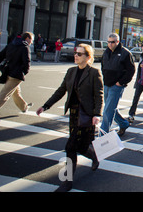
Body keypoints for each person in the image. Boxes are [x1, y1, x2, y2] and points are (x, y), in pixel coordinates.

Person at [36, 44, 103, 192]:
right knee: (79, 146)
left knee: (71, 147)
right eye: (75, 53)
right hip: (74, 114)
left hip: (86, 115)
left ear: (88, 57)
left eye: (79, 54)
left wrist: (97, 114)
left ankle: (67, 182)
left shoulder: (94, 73)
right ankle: (94, 157)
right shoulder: (71, 71)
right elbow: (61, 91)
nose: (76, 56)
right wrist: (46, 106)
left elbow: (99, 95)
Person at [0, 32, 34, 123]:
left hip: (7, 72)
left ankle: (24, 107)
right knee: (4, 94)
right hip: (16, 75)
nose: (32, 42)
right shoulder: (25, 47)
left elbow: (0, 55)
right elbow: (27, 63)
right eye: (31, 39)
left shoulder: (12, 44)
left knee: (16, 92)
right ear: (27, 38)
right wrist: (24, 72)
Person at [100, 33, 135, 137]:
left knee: (107, 111)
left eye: (113, 42)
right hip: (107, 84)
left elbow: (131, 70)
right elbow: (103, 66)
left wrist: (121, 82)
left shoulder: (125, 53)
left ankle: (102, 135)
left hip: (117, 86)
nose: (110, 44)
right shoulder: (106, 52)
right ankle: (123, 123)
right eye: (109, 42)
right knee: (110, 108)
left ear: (118, 42)